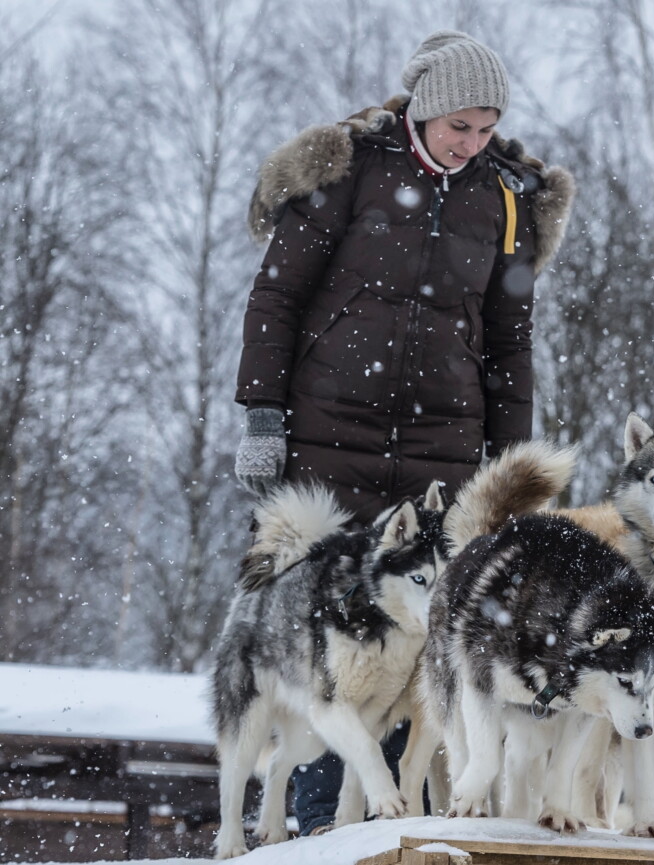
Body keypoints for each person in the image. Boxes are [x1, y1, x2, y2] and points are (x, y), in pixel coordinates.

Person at [231, 30, 574, 835]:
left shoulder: (507, 196)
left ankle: (405, 826)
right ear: (425, 108)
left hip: (441, 457)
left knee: (423, 643)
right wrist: (261, 417)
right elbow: (275, 298)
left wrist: (507, 461)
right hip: (325, 443)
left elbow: (509, 337)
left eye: (486, 128)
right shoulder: (347, 169)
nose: (471, 143)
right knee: (326, 637)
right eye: (460, 124)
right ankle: (318, 827)